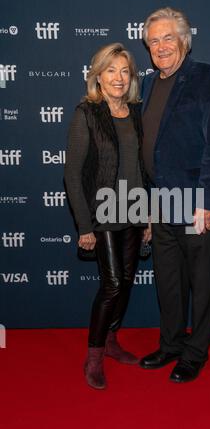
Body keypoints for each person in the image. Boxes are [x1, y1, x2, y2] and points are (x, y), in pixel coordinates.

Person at [139, 8, 210, 383]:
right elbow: (152, 148)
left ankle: (195, 353)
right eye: (153, 41)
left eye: (168, 38)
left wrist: (208, 201)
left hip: (197, 202)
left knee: (202, 281)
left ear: (184, 41)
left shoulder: (208, 78)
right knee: (168, 280)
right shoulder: (147, 84)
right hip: (162, 203)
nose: (161, 47)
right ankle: (171, 344)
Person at [64, 43, 148, 390]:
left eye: (124, 71)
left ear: (131, 78)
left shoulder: (137, 113)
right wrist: (85, 226)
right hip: (103, 211)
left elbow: (143, 170)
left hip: (133, 209)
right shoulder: (87, 112)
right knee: (112, 283)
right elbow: (72, 174)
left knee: (127, 280)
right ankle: (95, 355)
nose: (118, 77)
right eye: (111, 70)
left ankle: (112, 341)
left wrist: (147, 216)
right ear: (98, 76)